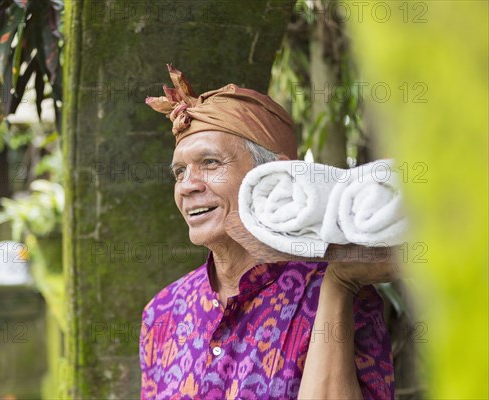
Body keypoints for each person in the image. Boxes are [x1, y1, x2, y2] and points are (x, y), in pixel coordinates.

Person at [140, 65, 395, 399]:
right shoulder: (162, 312)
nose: (187, 186)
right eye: (179, 172)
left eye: (211, 163)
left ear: (271, 179)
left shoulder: (335, 291)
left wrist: (338, 287)